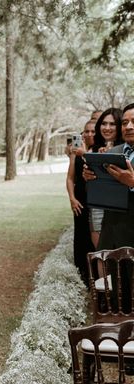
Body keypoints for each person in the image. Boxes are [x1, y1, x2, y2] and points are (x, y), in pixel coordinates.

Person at [84, 103, 134, 312]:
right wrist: (91, 178)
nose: (129, 126)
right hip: (112, 229)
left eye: (133, 122)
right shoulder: (112, 153)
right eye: (125, 122)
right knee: (114, 288)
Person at [88, 108, 123, 247]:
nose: (107, 128)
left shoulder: (127, 149)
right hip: (97, 206)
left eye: (112, 124)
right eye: (104, 123)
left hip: (120, 210)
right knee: (101, 254)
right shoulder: (94, 150)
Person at [67, 119, 95, 285]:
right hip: (79, 201)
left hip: (96, 201)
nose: (89, 134)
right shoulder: (75, 152)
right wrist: (72, 198)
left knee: (94, 239)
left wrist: (85, 154)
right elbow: (70, 178)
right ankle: (82, 275)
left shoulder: (100, 150)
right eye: (86, 131)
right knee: (81, 237)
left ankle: (96, 278)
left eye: (93, 131)